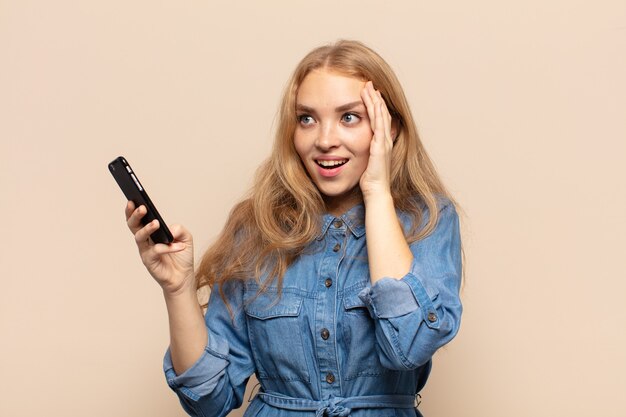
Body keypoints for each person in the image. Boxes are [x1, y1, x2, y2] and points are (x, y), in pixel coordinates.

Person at [125, 40, 463, 417]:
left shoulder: (426, 219)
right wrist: (178, 289)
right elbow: (208, 400)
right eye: (307, 119)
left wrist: (377, 192)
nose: (324, 140)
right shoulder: (256, 228)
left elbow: (409, 346)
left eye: (349, 117)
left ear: (389, 127)